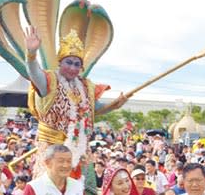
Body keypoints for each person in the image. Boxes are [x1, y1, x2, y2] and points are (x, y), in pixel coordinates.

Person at [24, 26, 128, 174]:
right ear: (60, 63)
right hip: (52, 150)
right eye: (69, 62)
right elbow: (34, 73)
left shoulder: (86, 86)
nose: (73, 68)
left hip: (81, 151)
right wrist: (31, 53)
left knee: (85, 192)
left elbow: (95, 108)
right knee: (49, 192)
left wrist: (115, 105)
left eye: (77, 64)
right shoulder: (50, 80)